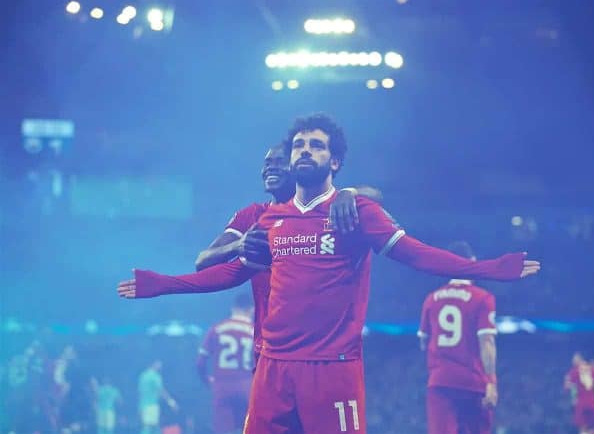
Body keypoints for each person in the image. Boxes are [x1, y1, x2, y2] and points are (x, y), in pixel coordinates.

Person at [118, 113, 540, 433]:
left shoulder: (354, 212)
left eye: (315, 146)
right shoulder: (267, 219)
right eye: (298, 144)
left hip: (332, 368)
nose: (304, 151)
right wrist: (161, 285)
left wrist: (487, 269)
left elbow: (415, 254)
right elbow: (226, 272)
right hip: (272, 368)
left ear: (334, 160)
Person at [194, 142, 383, 364]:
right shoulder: (254, 215)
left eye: (279, 162)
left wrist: (349, 192)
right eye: (267, 163)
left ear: (297, 168)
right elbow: (202, 262)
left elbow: (375, 195)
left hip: (320, 349)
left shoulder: (322, 209)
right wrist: (237, 246)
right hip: (269, 352)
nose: (270, 168)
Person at [417, 241, 497, 434]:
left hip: (441, 382)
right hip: (473, 383)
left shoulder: (431, 299)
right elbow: (486, 342)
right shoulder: (482, 298)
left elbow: (423, 343)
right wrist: (492, 382)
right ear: (472, 262)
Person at [197, 294, 255, 434]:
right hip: (248, 388)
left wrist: (207, 380)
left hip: (222, 386)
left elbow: (200, 363)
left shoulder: (217, 328)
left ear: (233, 308)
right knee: (250, 428)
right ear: (251, 310)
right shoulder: (255, 330)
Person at [138, 360, 178, 434]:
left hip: (143, 406)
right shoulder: (155, 376)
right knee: (149, 428)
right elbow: (161, 391)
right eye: (159, 363)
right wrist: (171, 402)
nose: (161, 365)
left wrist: (140, 407)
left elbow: (140, 393)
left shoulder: (142, 376)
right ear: (154, 363)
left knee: (154, 428)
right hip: (152, 405)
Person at [565, 353, 594, 434]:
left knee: (587, 427)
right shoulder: (576, 373)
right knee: (587, 427)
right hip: (587, 405)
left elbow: (568, 386)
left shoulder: (592, 373)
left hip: (589, 405)